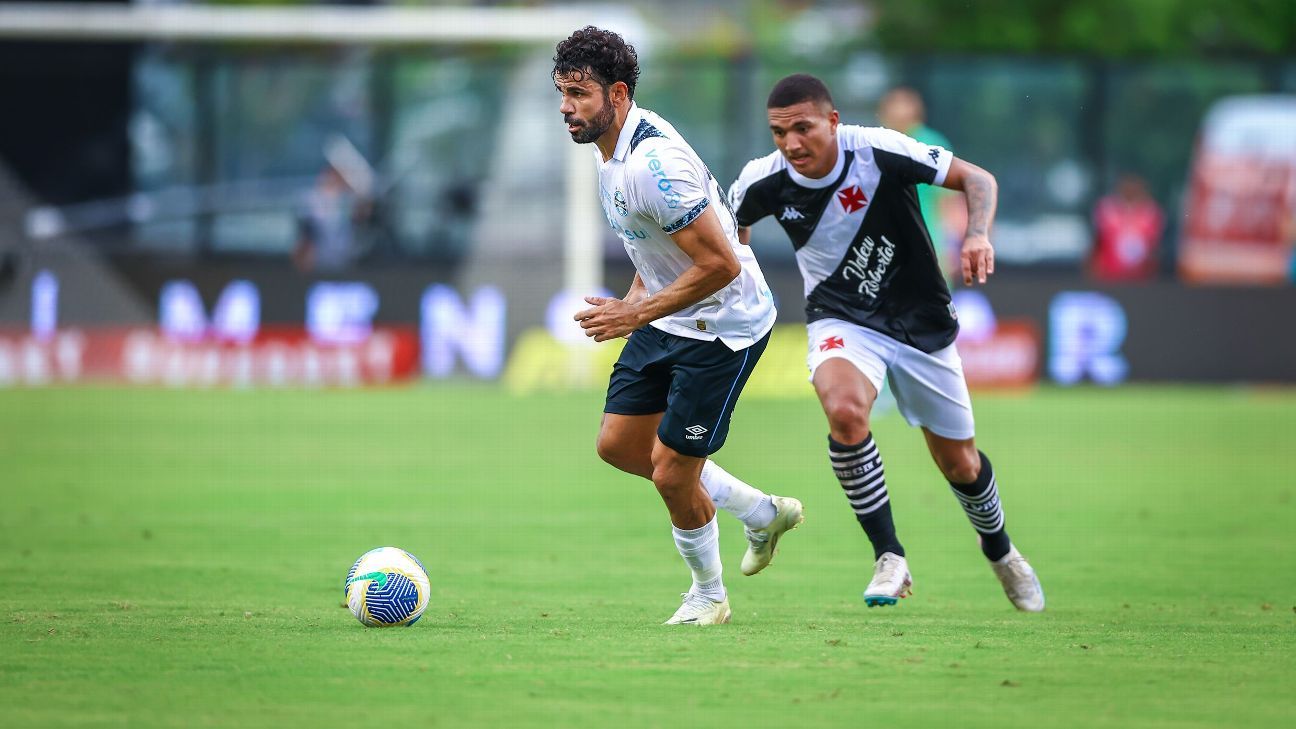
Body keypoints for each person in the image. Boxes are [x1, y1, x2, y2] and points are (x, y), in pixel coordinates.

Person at [728, 74, 1044, 612]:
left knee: (960, 465)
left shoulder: (879, 149)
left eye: (803, 128)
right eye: (779, 132)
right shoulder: (763, 179)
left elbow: (978, 179)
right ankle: (888, 555)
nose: (791, 144)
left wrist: (976, 234)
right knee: (844, 411)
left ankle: (999, 550)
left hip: (922, 320)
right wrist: (738, 283)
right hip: (843, 319)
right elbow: (725, 230)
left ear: (833, 121)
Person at [553, 27, 804, 626]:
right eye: (562, 92)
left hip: (724, 326)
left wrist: (634, 314)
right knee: (619, 446)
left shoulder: (653, 165)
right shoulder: (609, 151)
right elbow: (656, 251)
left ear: (617, 94)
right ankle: (761, 512)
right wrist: (633, 302)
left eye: (578, 93)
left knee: (671, 472)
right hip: (669, 313)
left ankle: (709, 597)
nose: (566, 106)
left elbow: (720, 265)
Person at [878, 87, 959, 281]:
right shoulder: (875, 143)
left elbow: (949, 202)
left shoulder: (931, 145)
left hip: (928, 243)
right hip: (882, 246)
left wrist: (952, 246)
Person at [1090, 173, 1164, 281]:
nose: (1130, 189)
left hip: (1141, 277)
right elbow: (1098, 240)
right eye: (1127, 184)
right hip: (1110, 275)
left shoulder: (1151, 212)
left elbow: (1154, 245)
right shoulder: (1106, 209)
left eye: (1134, 185)